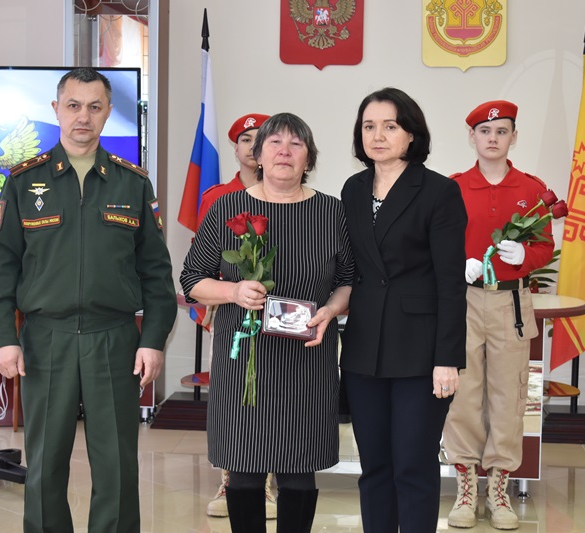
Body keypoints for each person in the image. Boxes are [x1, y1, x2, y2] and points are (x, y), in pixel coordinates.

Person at [0, 67, 177, 533]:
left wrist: (152, 340)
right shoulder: (24, 181)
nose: (83, 117)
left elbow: (156, 272)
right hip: (45, 339)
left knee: (116, 466)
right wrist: (4, 338)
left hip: (114, 340)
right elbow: (1, 266)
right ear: (56, 110)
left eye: (94, 107)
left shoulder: (132, 183)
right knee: (45, 464)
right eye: (73, 106)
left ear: (108, 112)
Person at [180, 113, 354, 532]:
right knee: (243, 469)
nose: (285, 152)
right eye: (274, 143)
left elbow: (349, 281)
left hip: (306, 357)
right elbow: (192, 280)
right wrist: (233, 292)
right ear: (257, 155)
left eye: (296, 144)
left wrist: (332, 310)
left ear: (309, 158)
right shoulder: (228, 208)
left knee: (299, 471)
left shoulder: (331, 212)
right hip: (245, 359)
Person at [340, 87, 468, 533]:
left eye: (390, 126)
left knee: (412, 465)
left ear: (411, 134)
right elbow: (348, 267)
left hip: (420, 351)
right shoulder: (353, 189)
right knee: (374, 465)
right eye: (369, 126)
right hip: (364, 349)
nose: (377, 136)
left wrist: (447, 358)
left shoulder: (439, 191)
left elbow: (451, 283)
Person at [442, 100, 553, 530]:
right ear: (472, 137)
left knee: (509, 395)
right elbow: (434, 244)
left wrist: (525, 255)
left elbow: (544, 246)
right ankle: (466, 488)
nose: (493, 138)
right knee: (463, 394)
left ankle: (499, 490)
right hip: (464, 302)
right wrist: (458, 264)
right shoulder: (452, 188)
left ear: (513, 137)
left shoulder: (531, 188)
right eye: (485, 131)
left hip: (511, 303)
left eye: (501, 131)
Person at [198, 113, 280, 520]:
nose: (252, 145)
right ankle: (231, 477)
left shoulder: (284, 192)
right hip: (231, 308)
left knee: (273, 391)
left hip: (278, 309)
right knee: (233, 394)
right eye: (245, 139)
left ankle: (267, 480)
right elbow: (202, 261)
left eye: (260, 138)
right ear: (236, 148)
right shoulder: (218, 197)